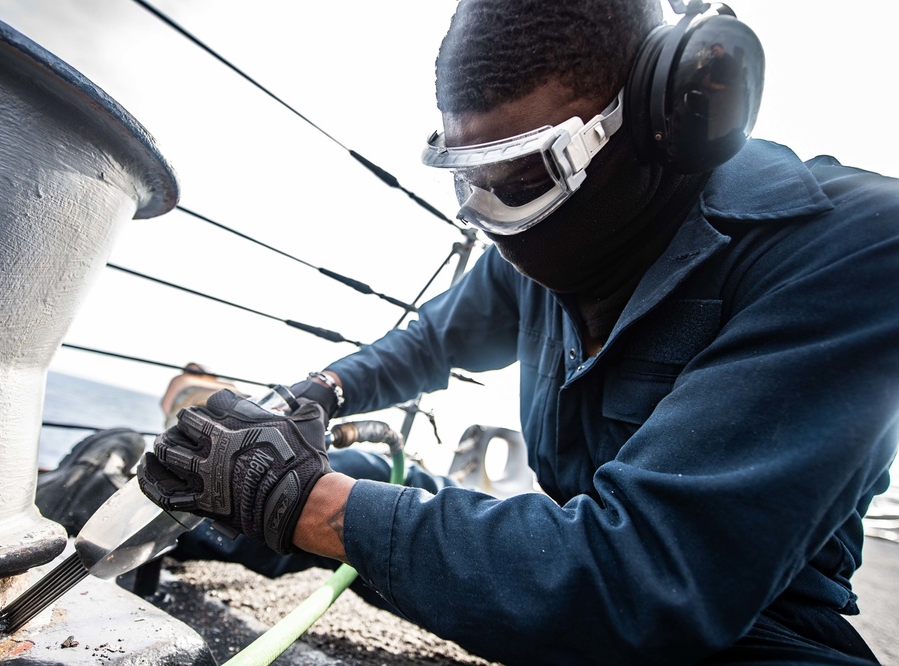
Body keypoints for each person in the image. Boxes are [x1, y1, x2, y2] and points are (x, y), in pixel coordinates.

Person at [138, 0, 899, 663]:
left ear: (675, 111)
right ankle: (160, 523)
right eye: (472, 181)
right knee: (365, 476)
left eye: (523, 180)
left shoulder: (852, 248)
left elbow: (648, 584)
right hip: (562, 573)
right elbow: (431, 343)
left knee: (341, 501)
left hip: (746, 636)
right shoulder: (542, 255)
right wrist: (311, 400)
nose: (491, 220)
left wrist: (304, 501)